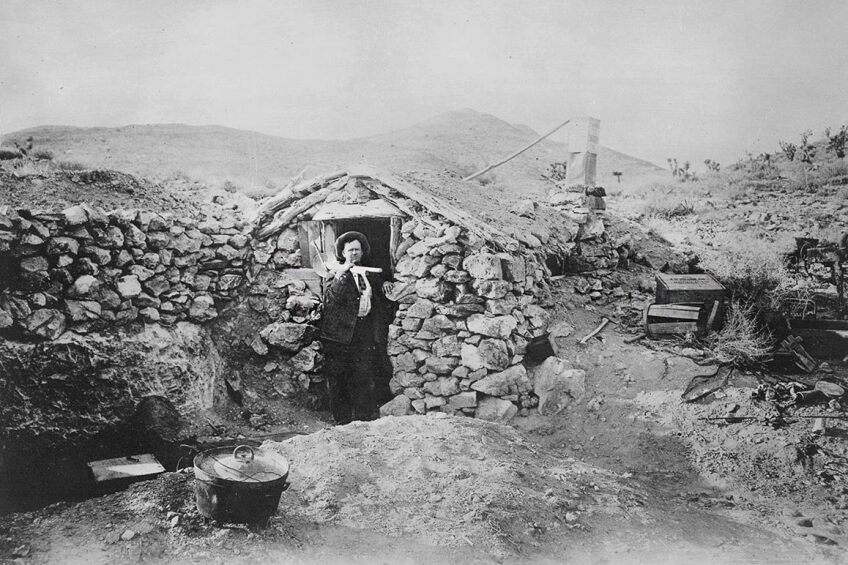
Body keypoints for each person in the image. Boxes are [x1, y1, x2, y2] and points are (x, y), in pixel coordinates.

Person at [320, 231, 395, 424]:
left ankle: (363, 418)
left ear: (362, 252)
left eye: (357, 250)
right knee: (339, 378)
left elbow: (379, 283)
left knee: (363, 374)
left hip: (363, 331)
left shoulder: (366, 271)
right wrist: (342, 273)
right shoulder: (334, 272)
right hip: (339, 334)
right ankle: (342, 420)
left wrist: (386, 282)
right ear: (343, 253)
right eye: (350, 250)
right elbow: (331, 297)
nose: (354, 253)